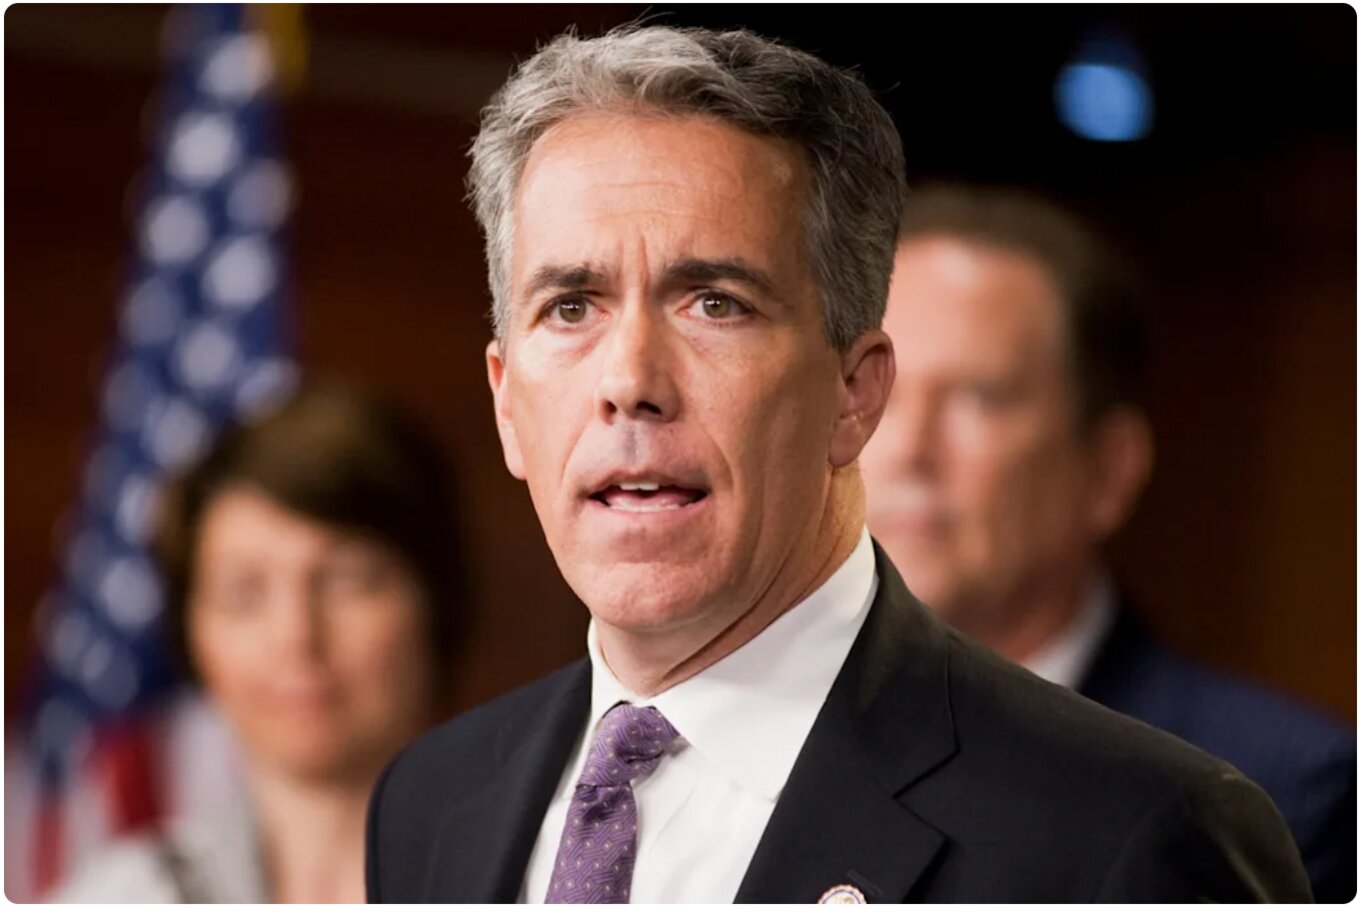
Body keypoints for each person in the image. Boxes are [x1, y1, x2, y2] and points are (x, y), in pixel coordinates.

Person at [365, 25, 1311, 903]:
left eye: (714, 302)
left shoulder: (1128, 838)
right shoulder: (429, 801)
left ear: (853, 394)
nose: (630, 382)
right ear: (506, 402)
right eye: (570, 307)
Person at [858, 184, 1356, 902]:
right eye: (877, 388)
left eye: (979, 397)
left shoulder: (1282, 787)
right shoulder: (763, 736)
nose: (907, 449)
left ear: (1108, 470)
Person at [50, 382, 464, 903]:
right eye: (243, 593)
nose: (296, 636)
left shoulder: (542, 877)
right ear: (191, 632)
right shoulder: (112, 897)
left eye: (346, 581)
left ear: (435, 602)